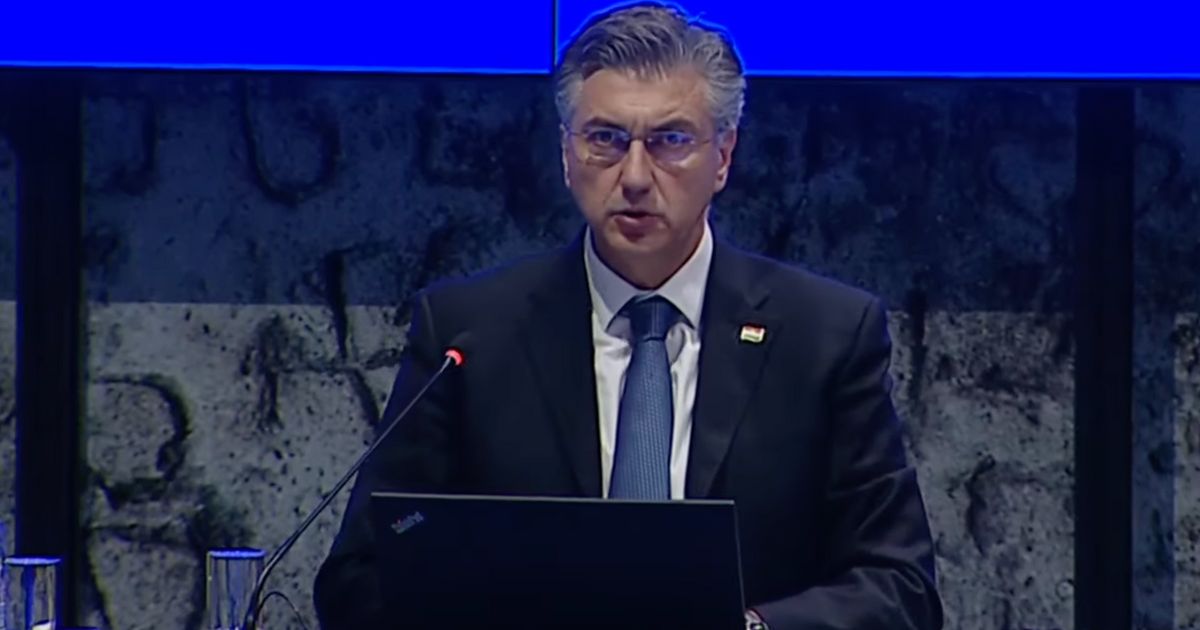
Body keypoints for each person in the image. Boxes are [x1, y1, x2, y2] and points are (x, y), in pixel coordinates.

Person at [314, 2, 943, 628]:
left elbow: (901, 586)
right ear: (567, 155)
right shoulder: (468, 336)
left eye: (671, 141)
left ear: (723, 156)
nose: (635, 176)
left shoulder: (825, 337)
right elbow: (360, 580)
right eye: (605, 140)